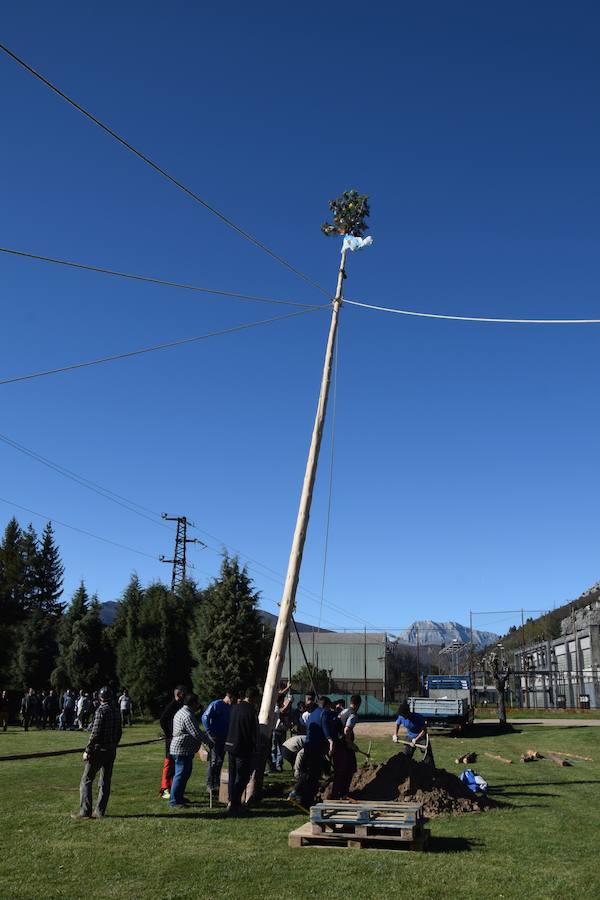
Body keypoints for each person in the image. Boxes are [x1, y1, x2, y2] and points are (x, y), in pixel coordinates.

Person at [71, 686, 122, 820]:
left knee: (86, 780)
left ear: (100, 698)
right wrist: (114, 744)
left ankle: (85, 812)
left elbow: (95, 733)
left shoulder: (101, 710)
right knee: (105, 781)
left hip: (100, 750)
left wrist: (88, 750)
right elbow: (119, 732)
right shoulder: (116, 711)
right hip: (111, 749)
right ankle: (99, 811)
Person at [291, 696, 335, 810]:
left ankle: (297, 793)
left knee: (306, 773)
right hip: (316, 747)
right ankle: (307, 800)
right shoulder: (324, 713)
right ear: (327, 705)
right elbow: (325, 726)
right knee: (314, 775)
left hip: (308, 746)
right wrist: (330, 739)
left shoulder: (313, 713)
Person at [169, 693, 210, 809]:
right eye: (197, 703)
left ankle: (179, 797)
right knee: (180, 775)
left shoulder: (182, 712)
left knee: (184, 774)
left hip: (183, 749)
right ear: (192, 703)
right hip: (181, 750)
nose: (198, 705)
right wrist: (208, 741)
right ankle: (174, 801)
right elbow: (196, 732)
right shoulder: (187, 715)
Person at [224, 686, 259, 815]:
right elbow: (254, 732)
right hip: (242, 747)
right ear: (253, 698)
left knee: (232, 775)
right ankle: (235, 803)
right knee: (243, 777)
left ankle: (231, 801)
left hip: (230, 745)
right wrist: (256, 747)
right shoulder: (251, 711)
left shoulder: (234, 708)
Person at [331, 694, 369, 799]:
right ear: (358, 704)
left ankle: (337, 794)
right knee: (349, 769)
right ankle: (342, 793)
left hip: (338, 744)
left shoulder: (344, 711)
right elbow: (347, 730)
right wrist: (350, 744)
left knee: (340, 771)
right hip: (344, 746)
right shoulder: (353, 714)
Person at [202, 690, 233, 796]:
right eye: (231, 699)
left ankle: (216, 783)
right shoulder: (216, 704)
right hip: (215, 738)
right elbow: (205, 717)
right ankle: (210, 785)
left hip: (224, 738)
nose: (232, 702)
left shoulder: (229, 707)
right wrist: (209, 732)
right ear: (227, 696)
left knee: (220, 761)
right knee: (214, 761)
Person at [159, 685, 187, 799]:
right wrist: (169, 733)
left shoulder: (181, 706)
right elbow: (162, 720)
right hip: (171, 739)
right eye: (183, 693)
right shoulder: (172, 705)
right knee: (168, 763)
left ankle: (172, 787)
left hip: (177, 739)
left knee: (175, 765)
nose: (185, 695)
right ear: (179, 694)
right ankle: (164, 789)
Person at [393, 701, 435, 767]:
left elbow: (424, 730)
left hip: (422, 737)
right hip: (410, 737)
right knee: (405, 756)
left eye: (405, 715)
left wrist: (416, 739)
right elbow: (397, 723)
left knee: (427, 757)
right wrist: (395, 734)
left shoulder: (418, 717)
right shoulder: (401, 716)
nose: (403, 717)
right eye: (402, 716)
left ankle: (431, 772)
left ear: (408, 713)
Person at [269, 685, 293, 773]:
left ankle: (278, 764)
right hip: (275, 730)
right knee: (274, 748)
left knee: (280, 748)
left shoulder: (281, 705)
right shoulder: (275, 706)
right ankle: (274, 764)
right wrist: (287, 690)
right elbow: (282, 710)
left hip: (282, 729)